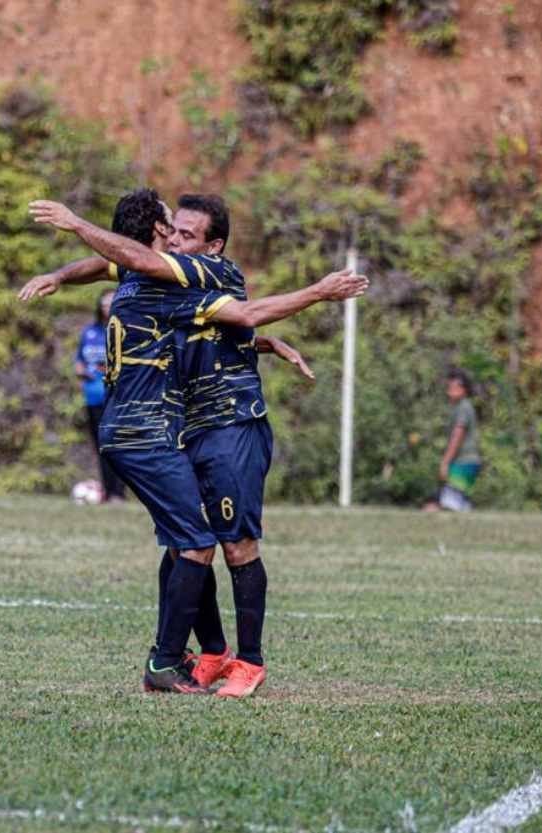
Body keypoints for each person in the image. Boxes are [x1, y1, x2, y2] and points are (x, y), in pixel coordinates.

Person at [27, 190, 367, 695]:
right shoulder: (160, 275)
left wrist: (310, 298)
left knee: (229, 544)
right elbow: (112, 263)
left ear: (214, 247)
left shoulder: (208, 273)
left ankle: (246, 662)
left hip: (230, 424)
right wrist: (60, 275)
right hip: (173, 428)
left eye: (188, 235)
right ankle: (201, 654)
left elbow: (244, 315)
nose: (177, 241)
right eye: (173, 231)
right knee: (192, 542)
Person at [75, 289, 125, 502]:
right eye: (103, 304)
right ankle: (108, 491)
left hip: (117, 397)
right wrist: (81, 371)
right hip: (93, 396)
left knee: (117, 446)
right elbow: (79, 361)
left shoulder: (124, 332)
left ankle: (118, 493)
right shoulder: (89, 332)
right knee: (101, 447)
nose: (107, 307)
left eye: (110, 303)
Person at [428, 369, 482, 512]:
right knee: (456, 505)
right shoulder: (458, 407)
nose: (452, 388)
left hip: (464, 462)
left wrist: (445, 462)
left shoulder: (463, 407)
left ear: (464, 389)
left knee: (448, 507)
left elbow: (457, 436)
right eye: (450, 385)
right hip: (464, 462)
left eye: (457, 386)